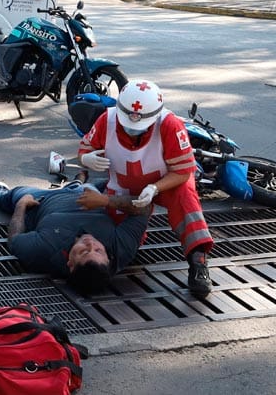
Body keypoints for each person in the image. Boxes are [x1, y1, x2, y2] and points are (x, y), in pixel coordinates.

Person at [77, 79, 215, 299]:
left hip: (166, 182)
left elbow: (182, 172)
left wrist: (154, 188)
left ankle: (198, 260)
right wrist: (87, 159)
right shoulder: (107, 119)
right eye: (127, 125)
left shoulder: (170, 125)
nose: (132, 131)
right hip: (122, 185)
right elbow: (85, 148)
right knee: (119, 237)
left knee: (186, 200)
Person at [0, 177, 150, 294]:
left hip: (42, 200)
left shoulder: (45, 251)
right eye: (99, 251)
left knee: (9, 196)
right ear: (109, 259)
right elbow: (144, 206)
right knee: (121, 180)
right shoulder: (122, 248)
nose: (90, 244)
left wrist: (21, 205)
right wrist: (105, 200)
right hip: (90, 194)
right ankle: (78, 181)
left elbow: (15, 241)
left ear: (70, 264)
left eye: (84, 252)